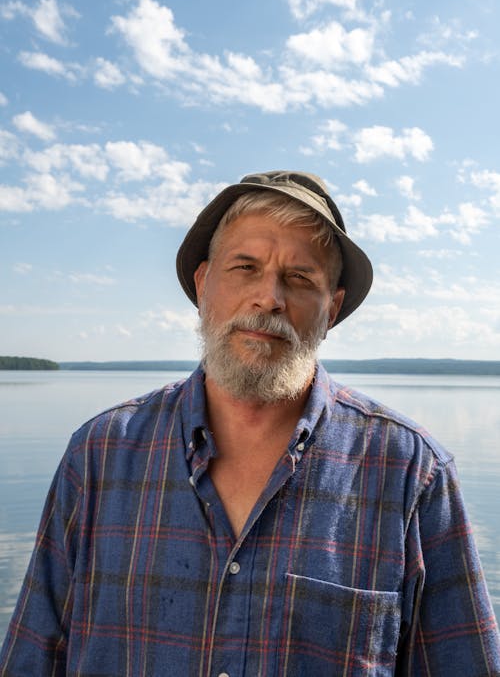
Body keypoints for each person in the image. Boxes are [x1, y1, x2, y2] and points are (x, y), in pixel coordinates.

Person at [1, 170, 499, 676]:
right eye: (245, 267)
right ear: (202, 285)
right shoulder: (100, 454)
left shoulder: (412, 473)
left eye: (300, 277)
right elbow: (30, 659)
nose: (269, 297)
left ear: (332, 310)